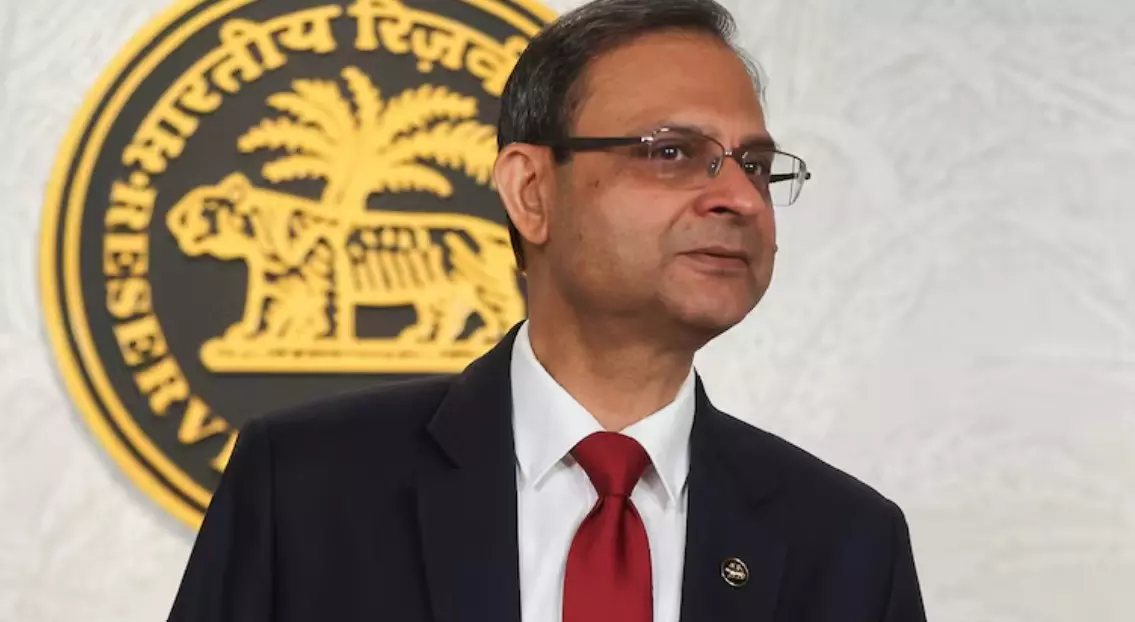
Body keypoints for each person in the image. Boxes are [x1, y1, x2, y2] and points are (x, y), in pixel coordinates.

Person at [167, 0, 927, 620]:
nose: (738, 198)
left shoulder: (848, 544)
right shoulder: (303, 490)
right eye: (671, 152)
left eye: (754, 165)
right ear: (531, 192)